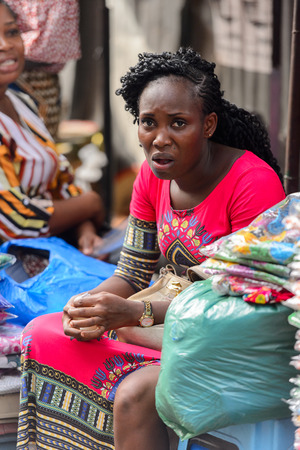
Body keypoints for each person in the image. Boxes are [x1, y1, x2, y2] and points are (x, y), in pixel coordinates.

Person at [17, 47, 286, 449]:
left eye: (179, 123)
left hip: (229, 336)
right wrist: (87, 307)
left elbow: (239, 302)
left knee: (134, 393)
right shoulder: (151, 176)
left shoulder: (252, 183)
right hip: (163, 324)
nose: (160, 139)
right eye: (148, 123)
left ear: (208, 124)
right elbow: (130, 272)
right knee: (42, 333)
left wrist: (134, 314)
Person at [0, 0, 105, 257]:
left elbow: (62, 181)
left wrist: (85, 233)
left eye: (11, 32)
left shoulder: (22, 102)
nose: (5, 45)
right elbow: (15, 221)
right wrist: (91, 203)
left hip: (50, 253)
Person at [5, 0, 81, 138]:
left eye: (12, 32)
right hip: (15, 77)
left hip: (36, 83)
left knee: (36, 144)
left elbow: (52, 46)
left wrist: (11, 60)